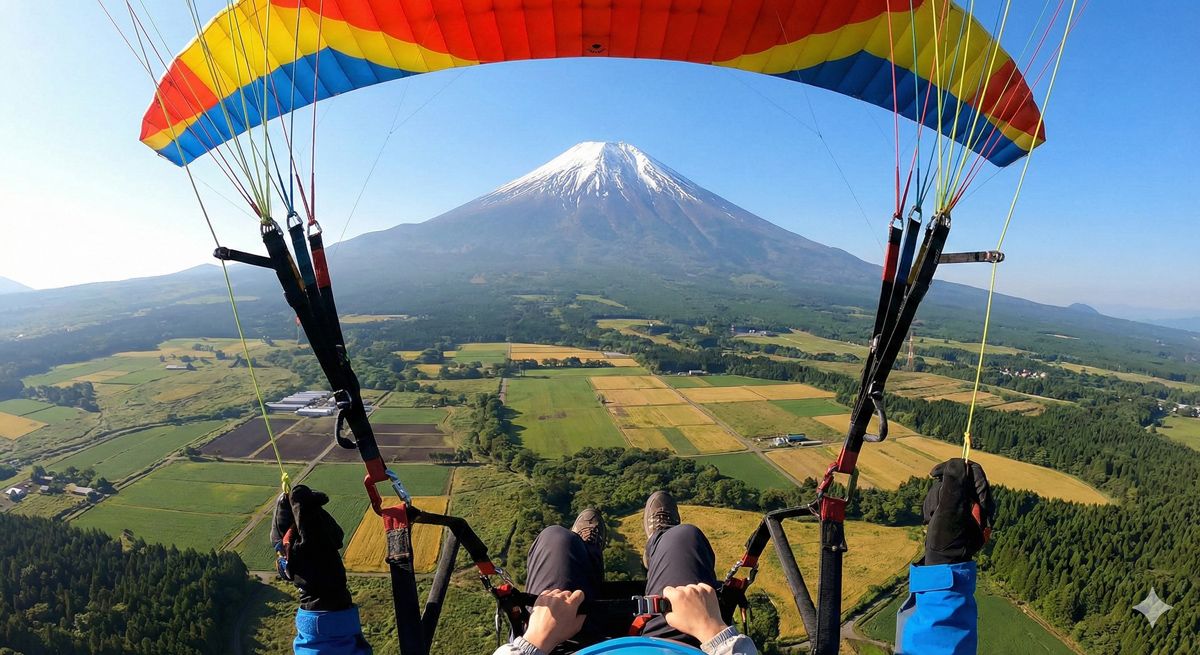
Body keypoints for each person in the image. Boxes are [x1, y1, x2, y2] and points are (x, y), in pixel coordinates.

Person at [274, 458, 991, 655]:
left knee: (553, 543)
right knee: (683, 544)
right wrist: (718, 636)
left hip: (557, 645)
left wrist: (323, 599)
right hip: (684, 641)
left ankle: (585, 550)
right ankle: (657, 550)